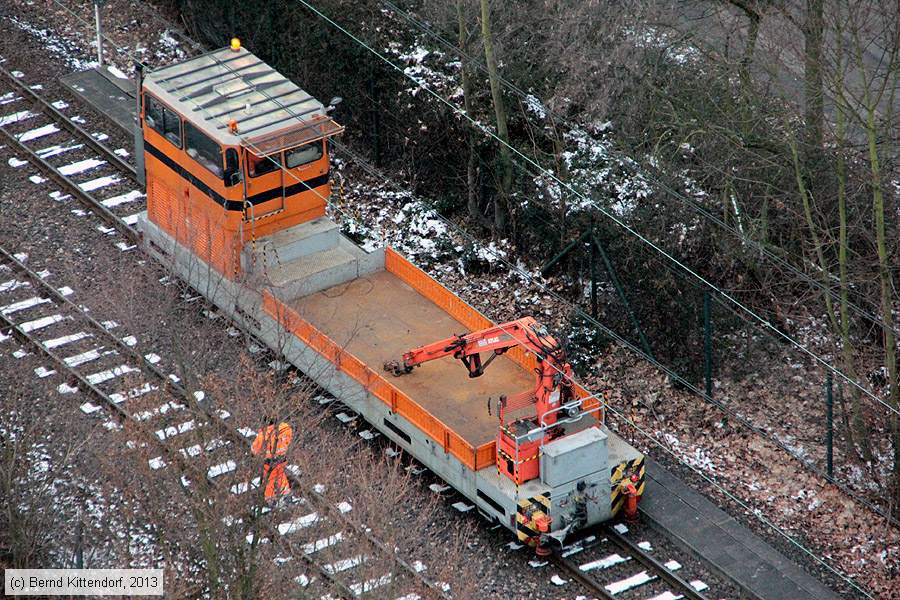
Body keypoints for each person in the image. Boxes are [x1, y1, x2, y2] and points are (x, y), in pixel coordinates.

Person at [251, 418, 293, 501]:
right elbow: (289, 439)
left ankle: (270, 499)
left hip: (269, 463)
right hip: (282, 459)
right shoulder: (286, 428)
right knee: (281, 475)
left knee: (269, 480)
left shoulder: (263, 435)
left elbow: (255, 450)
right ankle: (286, 495)